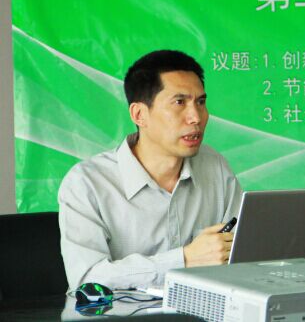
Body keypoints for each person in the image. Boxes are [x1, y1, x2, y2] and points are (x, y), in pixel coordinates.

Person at [58, 50, 243, 289]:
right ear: (139, 115)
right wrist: (183, 260)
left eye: (200, 102)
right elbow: (87, 279)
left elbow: (241, 254)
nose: (196, 117)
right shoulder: (87, 183)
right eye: (179, 102)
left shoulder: (215, 167)